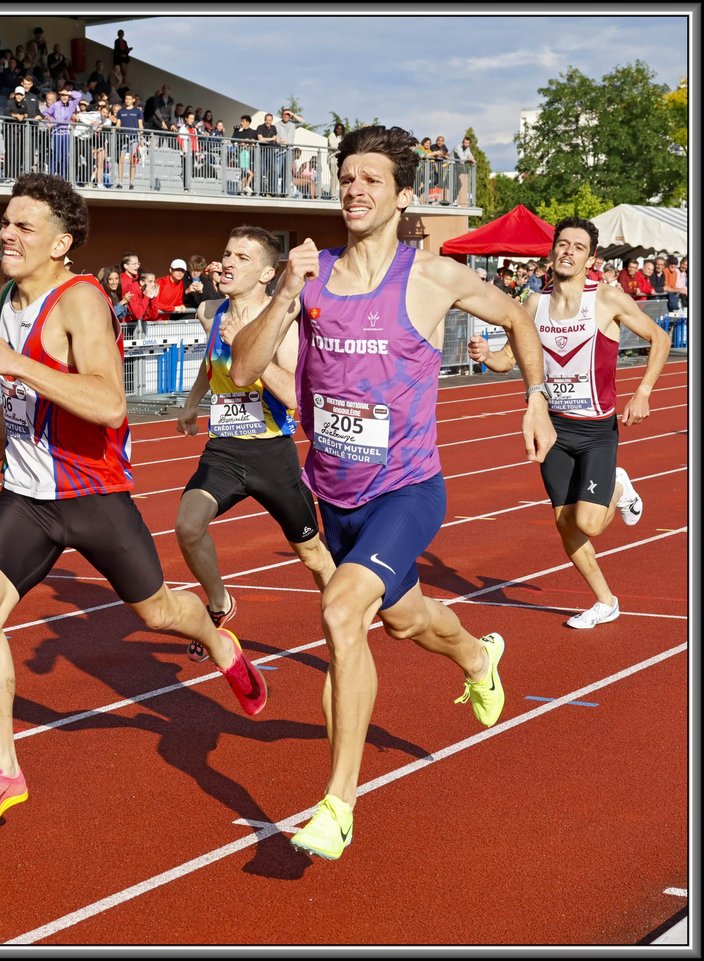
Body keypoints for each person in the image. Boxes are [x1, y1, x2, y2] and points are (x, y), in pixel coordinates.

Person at [229, 125, 556, 861]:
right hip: (335, 495)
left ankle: (338, 803)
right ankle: (476, 654)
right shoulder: (311, 278)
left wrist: (533, 395)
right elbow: (246, 367)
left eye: (371, 178)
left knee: (342, 608)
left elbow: (515, 316)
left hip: (407, 490)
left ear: (403, 196)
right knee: (405, 622)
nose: (354, 188)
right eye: (346, 176)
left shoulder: (431, 276)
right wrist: (283, 293)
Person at [0, 173, 271, 836]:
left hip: (94, 494)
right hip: (27, 498)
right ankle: (3, 769)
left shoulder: (82, 300)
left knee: (157, 611)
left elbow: (108, 402)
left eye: (24, 226)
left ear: (62, 242)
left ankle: (218, 637)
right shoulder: (6, 296)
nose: (7, 234)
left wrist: (14, 363)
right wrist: (3, 422)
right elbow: (27, 385)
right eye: (4, 222)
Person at [467, 216, 669, 629]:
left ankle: (617, 484)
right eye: (562, 243)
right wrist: (487, 355)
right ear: (551, 251)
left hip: (596, 429)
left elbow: (660, 339)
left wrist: (644, 392)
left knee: (589, 523)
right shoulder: (533, 304)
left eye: (578, 246)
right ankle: (605, 601)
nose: (567, 251)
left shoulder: (607, 299)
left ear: (590, 258)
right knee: (565, 526)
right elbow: (511, 360)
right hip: (553, 429)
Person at [174, 226, 335, 648]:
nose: (228, 262)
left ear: (267, 274)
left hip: (271, 453)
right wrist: (193, 400)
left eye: (242, 258)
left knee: (313, 555)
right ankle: (220, 603)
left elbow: (293, 396)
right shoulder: (210, 312)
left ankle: (344, 619)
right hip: (224, 450)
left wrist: (247, 348)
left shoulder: (283, 317)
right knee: (188, 526)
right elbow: (212, 364)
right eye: (227, 253)